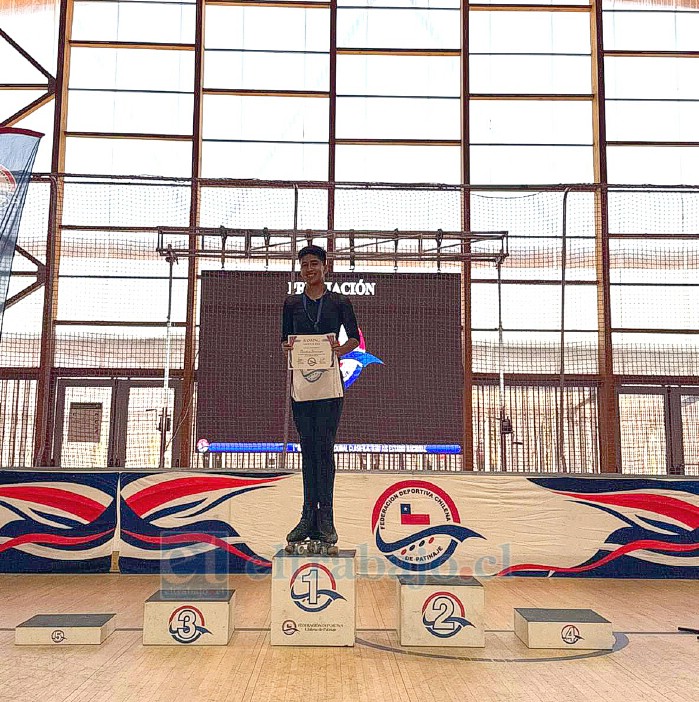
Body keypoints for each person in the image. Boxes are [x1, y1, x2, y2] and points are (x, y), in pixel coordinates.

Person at [281, 245, 360, 550]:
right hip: (302, 386)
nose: (309, 269)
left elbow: (353, 336)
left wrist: (341, 349)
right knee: (307, 448)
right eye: (304, 265)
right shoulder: (291, 303)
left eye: (314, 263)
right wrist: (288, 348)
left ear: (325, 267)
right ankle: (306, 517)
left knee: (324, 448)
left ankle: (326, 519)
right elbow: (284, 341)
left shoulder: (340, 301)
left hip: (330, 385)